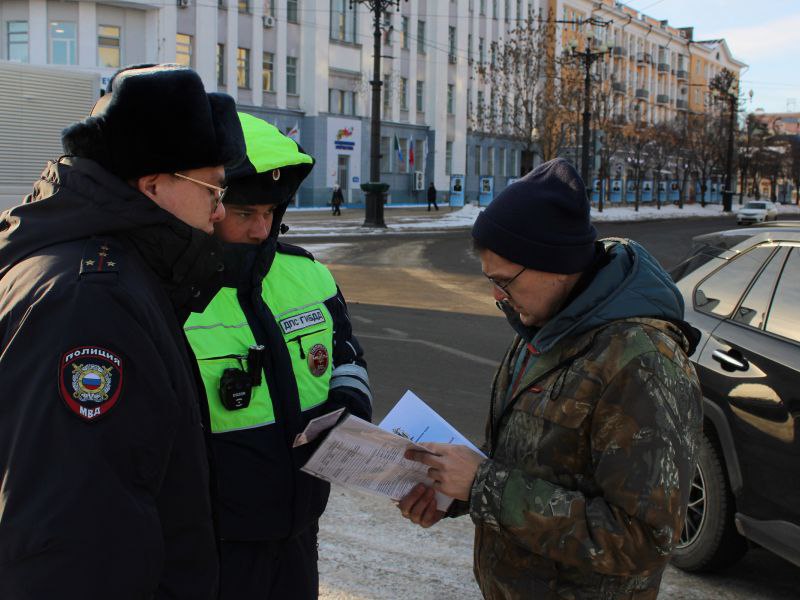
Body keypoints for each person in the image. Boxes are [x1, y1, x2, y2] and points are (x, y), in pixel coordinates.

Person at [399, 158, 703, 599]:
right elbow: (531, 463)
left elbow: (642, 540)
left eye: (505, 281)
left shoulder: (642, 361)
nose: (496, 295)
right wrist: (453, 490)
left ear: (556, 265)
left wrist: (484, 485)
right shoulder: (541, 328)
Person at [0, 65, 245, 598]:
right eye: (213, 189)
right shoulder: (92, 300)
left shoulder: (99, 269)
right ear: (153, 184)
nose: (221, 210)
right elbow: (74, 542)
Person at [184, 113, 372, 600]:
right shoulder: (169, 294)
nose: (261, 229)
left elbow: (346, 355)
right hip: (210, 542)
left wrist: (349, 407)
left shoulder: (308, 274)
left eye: (271, 212)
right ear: (210, 203)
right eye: (245, 214)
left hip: (299, 525)